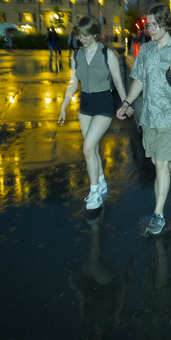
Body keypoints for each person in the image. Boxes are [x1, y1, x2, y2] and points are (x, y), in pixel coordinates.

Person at [116, 4, 171, 235]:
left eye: (155, 24)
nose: (151, 29)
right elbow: (138, 80)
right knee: (163, 162)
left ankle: (158, 214)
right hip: (148, 117)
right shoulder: (145, 51)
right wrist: (127, 103)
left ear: (167, 23)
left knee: (160, 164)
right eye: (148, 25)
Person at [58, 16, 132, 210]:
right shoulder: (76, 55)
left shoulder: (108, 54)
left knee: (88, 148)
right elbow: (73, 82)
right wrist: (63, 106)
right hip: (85, 106)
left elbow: (117, 81)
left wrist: (125, 103)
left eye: (86, 35)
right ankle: (100, 181)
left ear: (95, 34)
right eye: (79, 35)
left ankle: (94, 193)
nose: (82, 39)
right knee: (93, 149)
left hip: (103, 105)